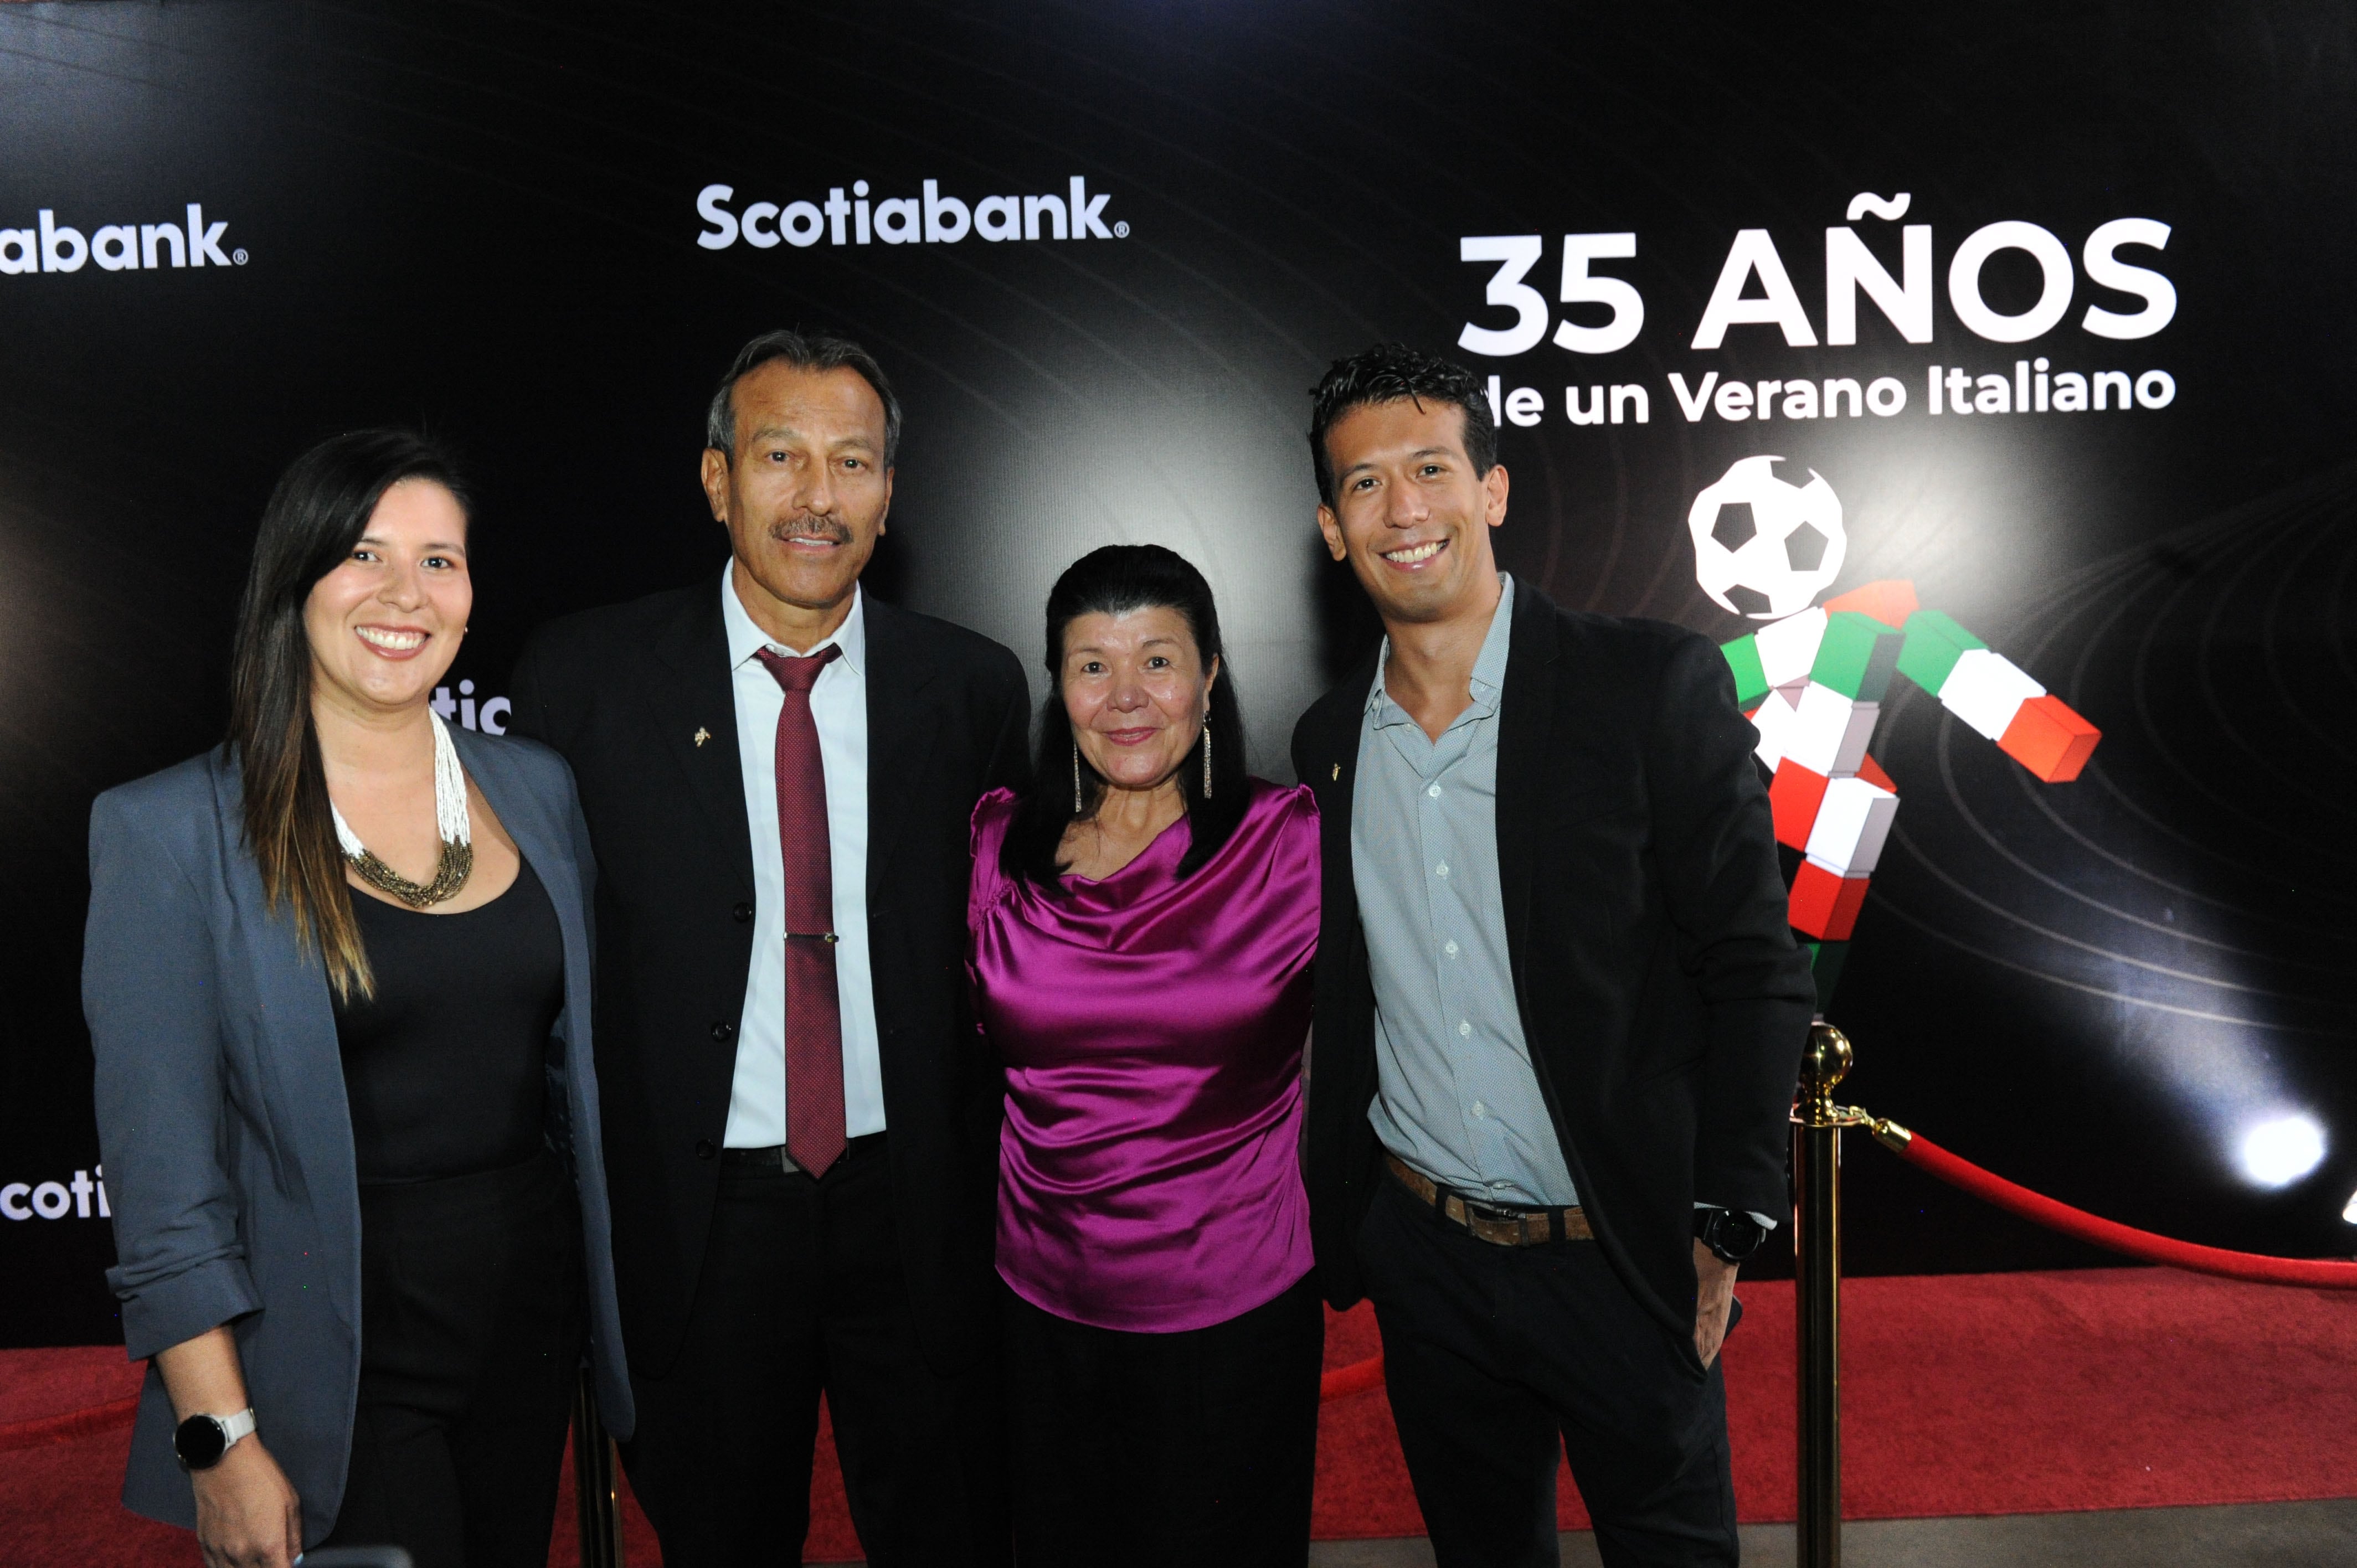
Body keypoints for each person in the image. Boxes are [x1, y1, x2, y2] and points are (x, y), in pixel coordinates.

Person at [507, 329, 1030, 1567]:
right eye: (780, 455)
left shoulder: (970, 689)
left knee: (954, 1532)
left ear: (890, 495)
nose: (816, 496)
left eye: (852, 463)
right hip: (703, 1218)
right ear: (715, 479)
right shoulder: (583, 681)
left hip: (913, 1205)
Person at [1290, 344, 1815, 1567]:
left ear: (1494, 490)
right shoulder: (1325, 743)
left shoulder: (1649, 685)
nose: (1403, 509)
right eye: (1365, 485)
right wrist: (1361, 1229)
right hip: (1426, 1262)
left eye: (1431, 469)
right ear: (1330, 528)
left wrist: (1724, 1221)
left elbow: (1754, 963)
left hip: (1623, 1255)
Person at [85, 430, 633, 1568]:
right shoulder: (170, 833)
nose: (405, 594)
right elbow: (165, 1194)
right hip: (329, 1361)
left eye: (441, 561)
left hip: (528, 1335)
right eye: (365, 555)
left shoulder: (535, 787)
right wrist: (216, 1441)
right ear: (296, 581)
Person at [967, 545, 1324, 1568]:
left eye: (1158, 662)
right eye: (1091, 666)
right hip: (1040, 1308)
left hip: (1238, 1308)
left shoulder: (1291, 839)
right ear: (1057, 685)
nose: (1126, 698)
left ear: (1211, 675)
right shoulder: (997, 844)